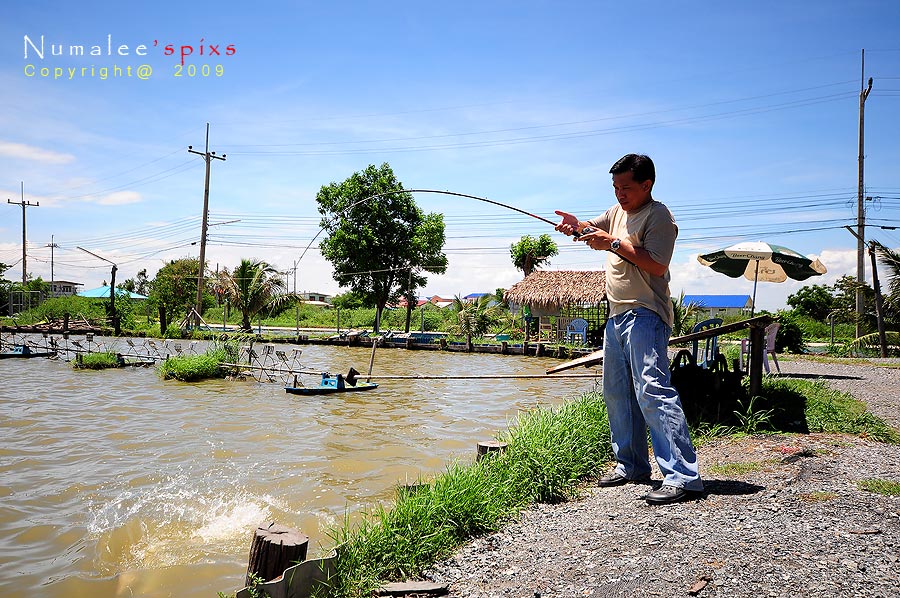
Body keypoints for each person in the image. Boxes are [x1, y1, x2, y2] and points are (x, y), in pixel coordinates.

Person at [555, 153, 702, 505]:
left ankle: (682, 475)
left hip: (646, 314)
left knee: (652, 389)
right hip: (616, 315)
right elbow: (593, 229)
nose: (620, 194)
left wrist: (614, 243)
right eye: (616, 187)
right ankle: (632, 465)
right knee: (618, 392)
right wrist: (576, 226)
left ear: (646, 185)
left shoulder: (659, 217)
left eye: (626, 187)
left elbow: (656, 264)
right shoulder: (616, 212)